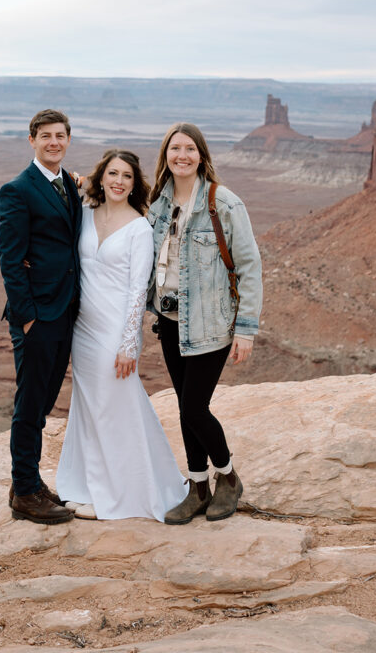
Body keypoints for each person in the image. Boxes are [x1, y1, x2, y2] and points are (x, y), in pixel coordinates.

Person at [56, 149, 186, 521]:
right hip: (83, 327)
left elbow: (136, 292)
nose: (118, 181)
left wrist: (129, 344)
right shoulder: (84, 214)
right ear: (102, 177)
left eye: (126, 176)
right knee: (89, 406)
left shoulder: (139, 229)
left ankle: (116, 493)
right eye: (112, 173)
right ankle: (84, 484)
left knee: (113, 408)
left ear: (135, 183)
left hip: (115, 331)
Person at [147, 123, 262, 524]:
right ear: (166, 156)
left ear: (201, 155)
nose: (182, 155)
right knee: (183, 407)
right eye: (174, 149)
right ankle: (197, 487)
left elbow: (249, 267)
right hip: (170, 320)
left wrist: (245, 329)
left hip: (210, 324)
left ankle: (227, 478)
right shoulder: (157, 203)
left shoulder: (224, 203)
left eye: (189, 149)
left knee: (195, 407)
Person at [0, 109, 82, 525]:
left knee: (45, 400)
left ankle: (24, 481)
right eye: (45, 136)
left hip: (65, 311)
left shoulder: (69, 184)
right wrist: (27, 317)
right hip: (38, 316)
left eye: (60, 136)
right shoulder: (17, 190)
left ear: (68, 140)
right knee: (30, 404)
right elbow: (11, 261)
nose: (53, 142)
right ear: (31, 140)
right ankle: (26, 493)